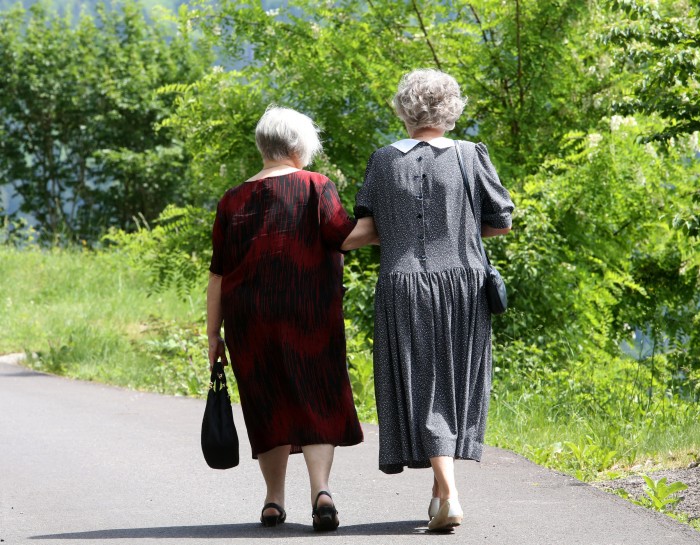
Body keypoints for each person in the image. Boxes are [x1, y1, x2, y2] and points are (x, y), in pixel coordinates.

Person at [354, 69, 514, 531]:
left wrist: (326, 239)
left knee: (421, 386)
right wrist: (458, 230)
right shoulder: (470, 155)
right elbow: (500, 221)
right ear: (451, 109)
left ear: (404, 109)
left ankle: (448, 493)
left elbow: (367, 227)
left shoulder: (383, 161)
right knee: (451, 386)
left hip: (402, 283)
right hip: (464, 284)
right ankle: (444, 493)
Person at [206, 106, 377, 531]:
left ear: (263, 146)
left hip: (249, 317)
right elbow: (345, 236)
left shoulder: (231, 200)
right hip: (309, 312)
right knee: (316, 393)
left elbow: (217, 274)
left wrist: (213, 334)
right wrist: (386, 221)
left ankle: (273, 501)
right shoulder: (316, 186)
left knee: (267, 401)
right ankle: (321, 491)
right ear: (299, 146)